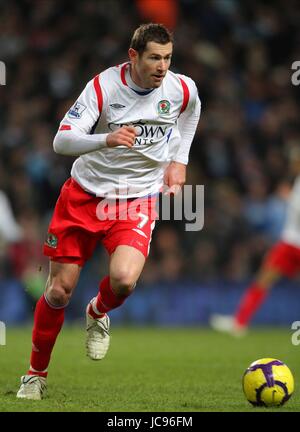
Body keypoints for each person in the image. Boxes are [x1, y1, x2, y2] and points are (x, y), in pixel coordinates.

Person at [16, 23, 201, 400]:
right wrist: (106, 138)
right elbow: (61, 141)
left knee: (124, 281)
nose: (162, 66)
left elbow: (191, 113)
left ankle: (98, 311)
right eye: (154, 57)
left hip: (136, 199)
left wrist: (179, 160)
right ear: (133, 56)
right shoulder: (103, 87)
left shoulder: (182, 88)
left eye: (167, 58)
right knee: (58, 291)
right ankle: (35, 375)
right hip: (85, 197)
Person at [210, 176, 300, 336]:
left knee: (263, 280)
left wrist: (288, 199)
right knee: (262, 280)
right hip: (290, 241)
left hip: (293, 242)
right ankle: (240, 323)